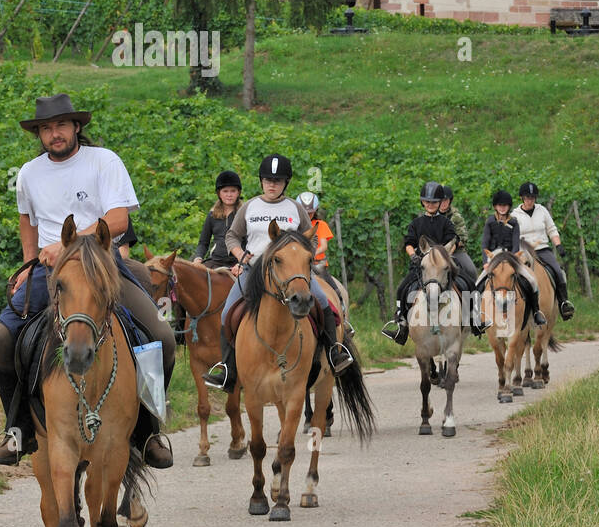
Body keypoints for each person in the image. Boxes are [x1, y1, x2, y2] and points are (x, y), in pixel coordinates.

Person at [0, 93, 175, 467]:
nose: (54, 134)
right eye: (45, 129)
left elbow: (118, 220)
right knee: (3, 337)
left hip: (102, 265)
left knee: (162, 337)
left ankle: (149, 429)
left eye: (60, 126)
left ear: (76, 127)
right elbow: (27, 218)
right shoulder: (29, 173)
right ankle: (18, 428)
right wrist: (28, 264)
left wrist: (69, 243)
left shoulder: (103, 161)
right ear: (39, 135)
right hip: (49, 272)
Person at [203, 154, 351, 390]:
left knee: (323, 301)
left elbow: (309, 236)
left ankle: (335, 352)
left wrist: (302, 258)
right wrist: (241, 256)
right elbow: (232, 235)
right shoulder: (249, 207)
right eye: (268, 180)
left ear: (286, 183)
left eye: (278, 180)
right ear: (261, 181)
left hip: (290, 270)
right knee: (227, 313)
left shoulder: (295, 208)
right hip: (255, 269)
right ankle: (228, 369)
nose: (272, 184)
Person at [383, 181, 481, 344]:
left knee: (470, 284)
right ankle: (402, 324)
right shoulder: (416, 223)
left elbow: (453, 241)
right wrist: (413, 255)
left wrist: (445, 257)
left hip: (443, 267)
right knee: (402, 289)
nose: (430, 204)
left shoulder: (446, 223)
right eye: (427, 201)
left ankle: (474, 319)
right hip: (422, 266)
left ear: (439, 203)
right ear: (423, 202)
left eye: (434, 202)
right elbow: (409, 242)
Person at [476, 190, 546, 326]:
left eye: (505, 205)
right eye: (500, 205)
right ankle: (478, 316)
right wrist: (485, 262)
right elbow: (485, 243)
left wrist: (514, 259)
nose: (502, 208)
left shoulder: (514, 222)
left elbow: (515, 244)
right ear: (495, 206)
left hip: (510, 257)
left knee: (532, 280)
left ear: (509, 207)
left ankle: (536, 312)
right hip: (494, 258)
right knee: (478, 284)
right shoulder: (490, 221)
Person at [510, 181, 574, 319]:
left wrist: (558, 245)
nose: (530, 200)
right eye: (527, 197)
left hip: (542, 249)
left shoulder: (542, 210)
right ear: (522, 197)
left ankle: (564, 303)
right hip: (525, 252)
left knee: (558, 271)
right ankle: (510, 306)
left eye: (532, 197)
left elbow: (551, 229)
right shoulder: (515, 215)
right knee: (511, 274)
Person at [193, 171, 242, 269]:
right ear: (219, 193)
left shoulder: (244, 214)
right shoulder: (212, 215)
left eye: (233, 191)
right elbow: (203, 242)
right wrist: (198, 258)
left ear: (238, 193)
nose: (229, 195)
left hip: (237, 262)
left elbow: (249, 241)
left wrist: (242, 262)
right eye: (225, 191)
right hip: (216, 261)